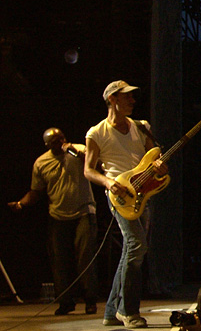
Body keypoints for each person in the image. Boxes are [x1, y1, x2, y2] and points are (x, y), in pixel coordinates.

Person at [84, 80, 168, 328]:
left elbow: (153, 159)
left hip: (142, 193)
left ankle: (111, 311)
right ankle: (128, 310)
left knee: (132, 251)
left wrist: (159, 166)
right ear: (112, 99)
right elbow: (89, 170)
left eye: (133, 96)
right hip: (119, 196)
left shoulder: (141, 127)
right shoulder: (96, 133)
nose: (133, 100)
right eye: (127, 96)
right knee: (136, 245)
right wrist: (108, 182)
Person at [8, 128, 98, 316]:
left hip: (83, 211)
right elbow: (36, 192)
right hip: (58, 215)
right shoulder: (41, 163)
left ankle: (90, 300)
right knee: (59, 261)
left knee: (84, 257)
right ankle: (65, 301)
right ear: (48, 145)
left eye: (62, 138)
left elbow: (94, 164)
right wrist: (20, 204)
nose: (61, 142)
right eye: (56, 141)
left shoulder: (78, 149)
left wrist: (74, 151)